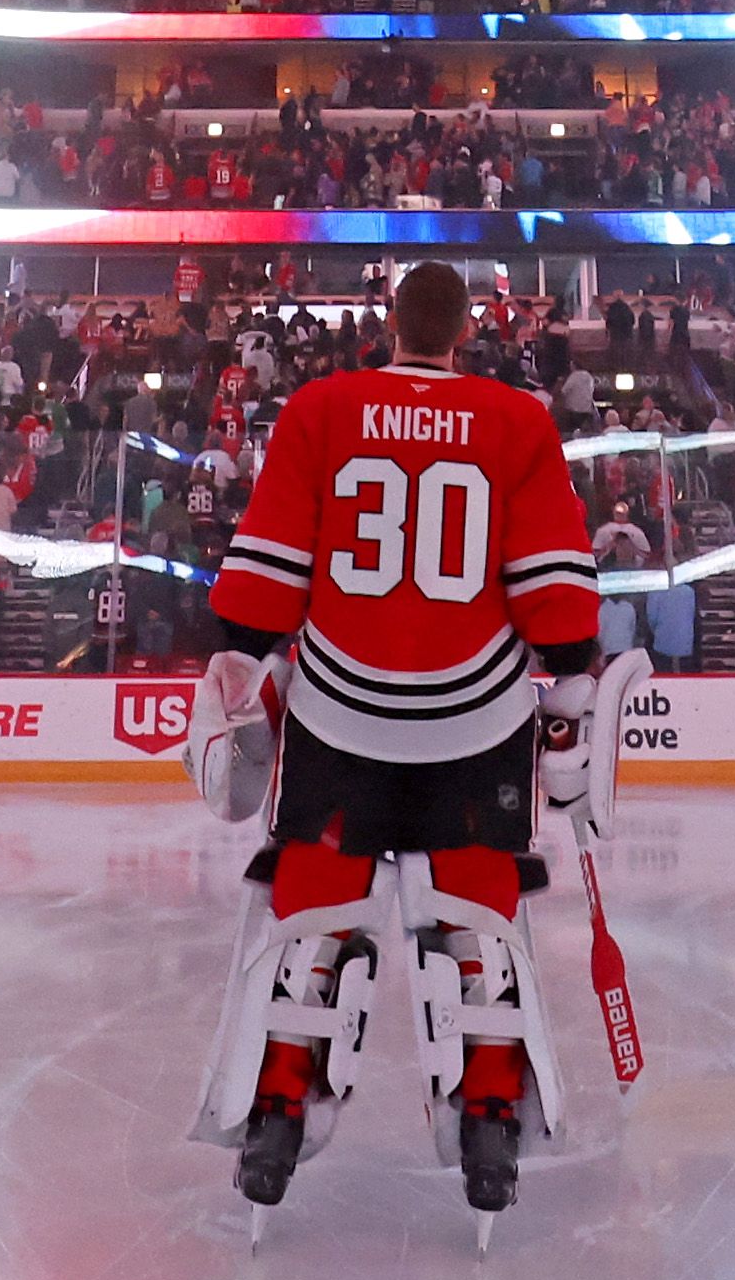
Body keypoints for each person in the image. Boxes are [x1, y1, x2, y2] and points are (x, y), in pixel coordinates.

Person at [203, 259, 599, 1218]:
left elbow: (266, 573)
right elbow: (554, 592)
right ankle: (491, 1116)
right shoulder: (516, 421)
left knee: (316, 915)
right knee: (478, 922)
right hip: (477, 724)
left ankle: (279, 1108)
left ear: (388, 324)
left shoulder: (323, 407)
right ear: (466, 329)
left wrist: (243, 656)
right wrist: (574, 681)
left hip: (342, 716)